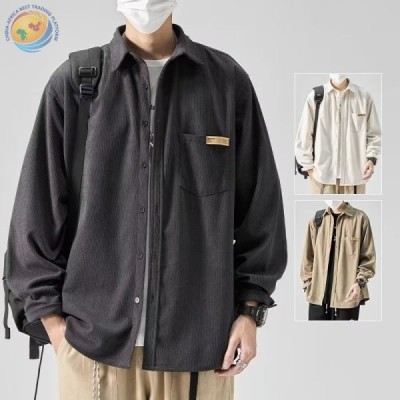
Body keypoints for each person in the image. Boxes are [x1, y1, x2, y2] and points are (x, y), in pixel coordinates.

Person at [4, 1, 287, 399]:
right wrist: (55, 328)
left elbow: (262, 211)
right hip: (92, 352)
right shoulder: (76, 83)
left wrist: (251, 312)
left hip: (200, 352)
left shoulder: (225, 82)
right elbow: (33, 215)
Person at [295, 73, 381, 194]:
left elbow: (374, 134)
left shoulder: (363, 96)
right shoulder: (316, 97)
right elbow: (304, 134)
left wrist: (371, 159)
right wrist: (308, 168)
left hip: (355, 178)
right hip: (322, 178)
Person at [301, 201, 376, 321]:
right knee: (315, 333)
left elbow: (368, 258)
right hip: (317, 298)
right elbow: (308, 257)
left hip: (348, 297)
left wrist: (359, 283)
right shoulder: (317, 220)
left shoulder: (360, 219)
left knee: (344, 333)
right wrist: (308, 284)